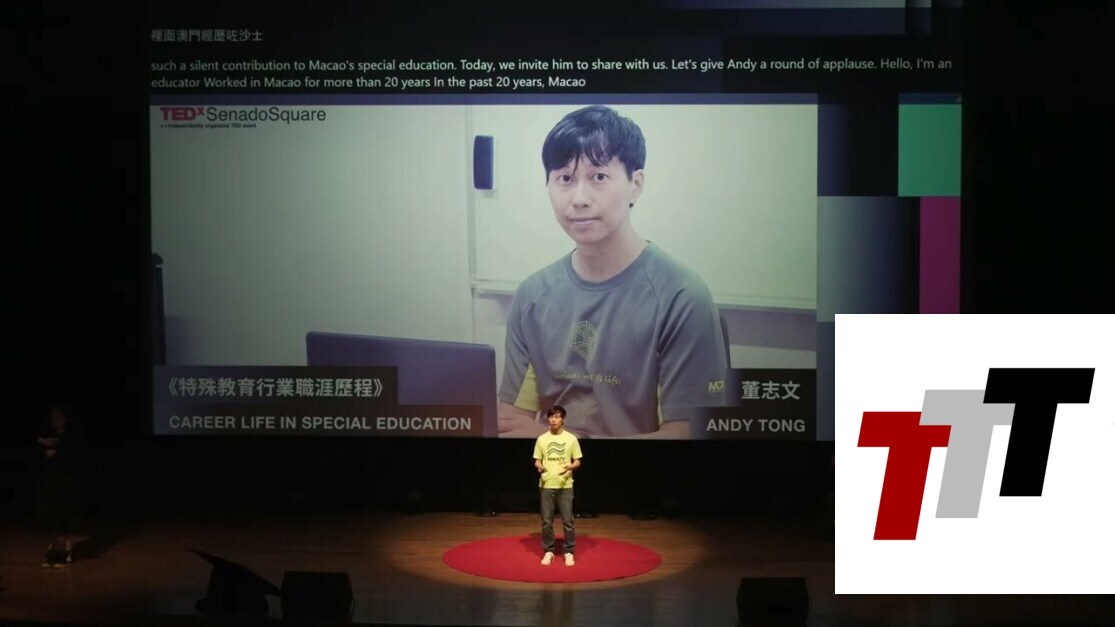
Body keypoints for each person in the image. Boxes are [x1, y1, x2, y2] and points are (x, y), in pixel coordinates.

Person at [498, 105, 729, 440]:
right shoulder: (532, 296)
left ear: (636, 184)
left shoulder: (681, 297)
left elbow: (686, 434)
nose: (579, 199)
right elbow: (510, 421)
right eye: (565, 178)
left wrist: (572, 445)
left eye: (599, 177)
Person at [534, 406, 582, 566]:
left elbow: (577, 460)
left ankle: (569, 551)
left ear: (563, 419)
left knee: (568, 521)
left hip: (565, 485)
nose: (554, 420)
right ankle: (549, 551)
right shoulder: (542, 439)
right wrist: (539, 466)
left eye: (557, 417)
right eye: (551, 417)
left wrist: (571, 466)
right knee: (546, 521)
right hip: (547, 484)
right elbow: (537, 460)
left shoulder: (571, 439)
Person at [34, 404, 81, 567]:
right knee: (51, 516)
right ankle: (52, 549)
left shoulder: (70, 437)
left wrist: (55, 447)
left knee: (64, 516)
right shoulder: (48, 435)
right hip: (50, 482)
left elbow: (70, 456)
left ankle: (66, 550)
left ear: (64, 419)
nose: (54, 420)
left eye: (58, 417)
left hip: (65, 482)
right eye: (52, 417)